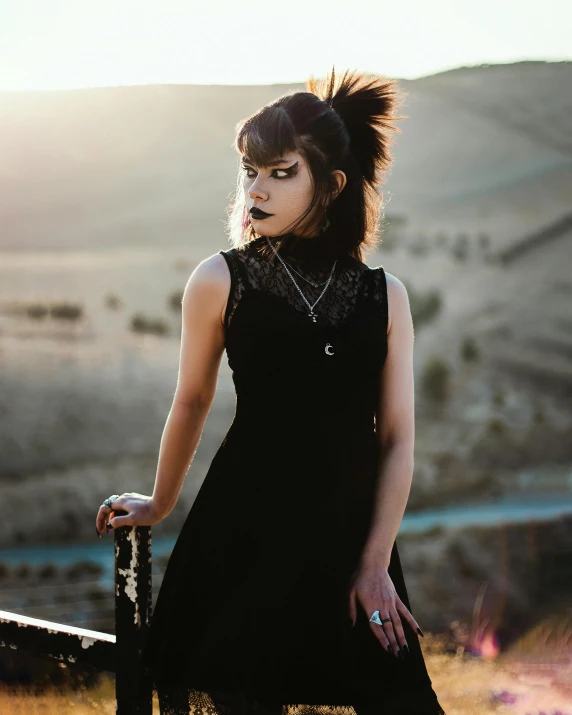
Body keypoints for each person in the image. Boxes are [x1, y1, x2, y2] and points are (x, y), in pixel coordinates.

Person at [95, 67, 446, 715]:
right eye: (250, 170)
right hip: (243, 542)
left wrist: (373, 563)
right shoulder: (218, 280)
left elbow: (396, 438)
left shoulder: (384, 297)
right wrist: (160, 500)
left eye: (281, 172)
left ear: (331, 185)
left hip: (349, 546)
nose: (256, 188)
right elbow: (192, 399)